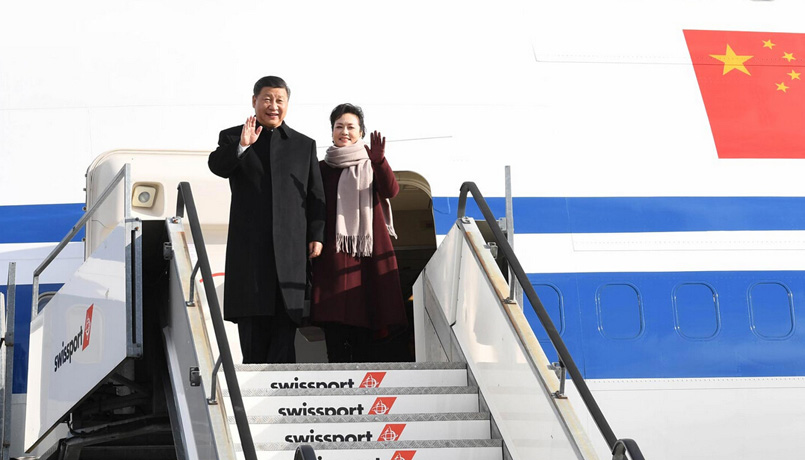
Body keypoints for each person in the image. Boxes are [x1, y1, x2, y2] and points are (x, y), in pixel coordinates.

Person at [208, 76, 325, 364]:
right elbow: (217, 166)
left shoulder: (303, 145)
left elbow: (315, 195)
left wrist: (317, 234)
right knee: (253, 340)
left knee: (285, 337)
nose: (274, 106)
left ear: (287, 104)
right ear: (254, 102)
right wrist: (242, 145)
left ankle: (282, 392)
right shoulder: (233, 136)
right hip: (250, 254)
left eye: (280, 100)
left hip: (290, 255)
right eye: (267, 99)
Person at [311, 103, 408, 362]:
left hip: (367, 258)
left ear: (361, 132)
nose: (344, 132)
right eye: (339, 126)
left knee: (366, 324)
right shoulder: (321, 168)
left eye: (351, 127)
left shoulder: (372, 164)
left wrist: (379, 161)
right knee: (334, 329)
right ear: (332, 131)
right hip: (332, 255)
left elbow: (391, 191)